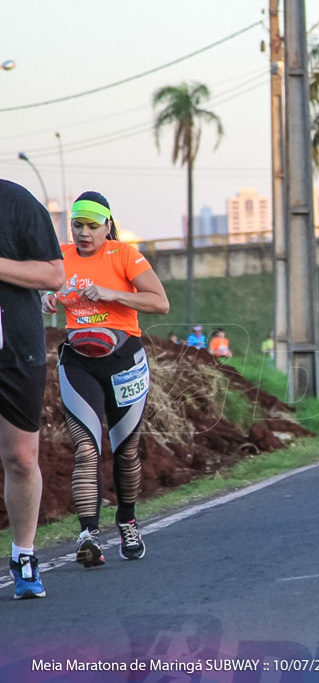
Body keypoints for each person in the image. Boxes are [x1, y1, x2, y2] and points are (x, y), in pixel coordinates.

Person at [41, 191, 170, 567]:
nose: (84, 233)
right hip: (78, 362)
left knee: (126, 450)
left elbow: (160, 302)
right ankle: (88, 537)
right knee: (85, 448)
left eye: (92, 226)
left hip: (124, 361)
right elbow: (45, 290)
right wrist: (49, 298)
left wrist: (111, 294)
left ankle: (127, 519)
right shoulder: (60, 256)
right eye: (77, 225)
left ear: (108, 225)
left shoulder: (124, 256)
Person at [0, 179, 65, 599]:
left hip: (16, 350)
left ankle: (24, 553)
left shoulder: (16, 201)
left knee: (21, 458)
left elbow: (54, 274)